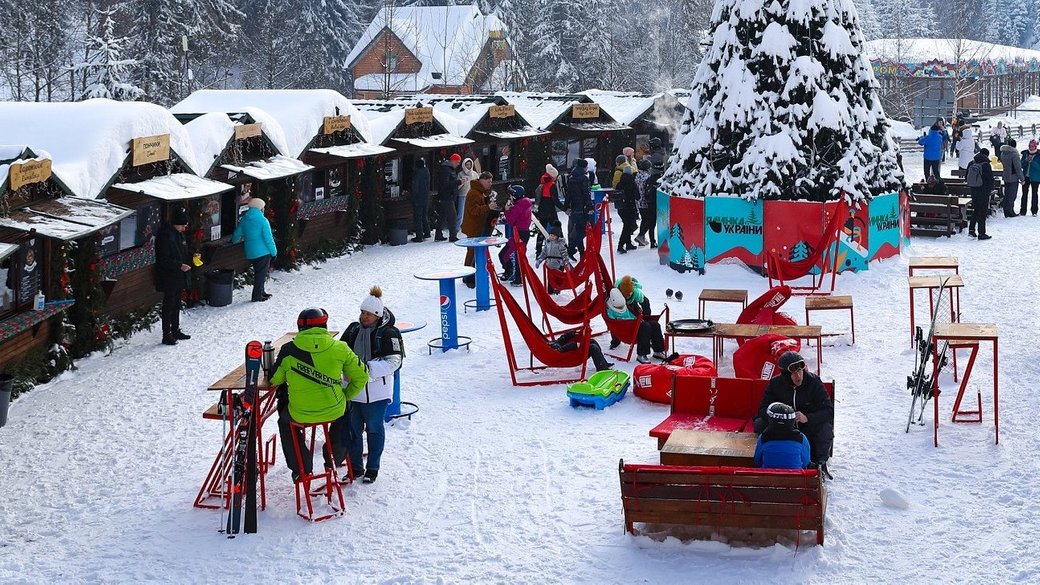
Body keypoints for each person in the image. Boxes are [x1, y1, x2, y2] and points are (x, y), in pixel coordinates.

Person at [271, 308, 368, 483]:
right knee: (347, 411)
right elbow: (362, 375)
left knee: (285, 422)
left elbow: (274, 379)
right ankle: (334, 456)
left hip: (300, 413)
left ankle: (301, 468)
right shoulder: (340, 348)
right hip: (334, 409)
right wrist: (346, 395)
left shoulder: (288, 350)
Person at [340, 287, 403, 484]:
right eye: (362, 312)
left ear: (377, 315)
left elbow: (395, 361)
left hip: (377, 392)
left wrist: (365, 370)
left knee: (374, 430)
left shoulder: (388, 333)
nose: (364, 317)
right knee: (353, 431)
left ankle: (373, 467)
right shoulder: (353, 330)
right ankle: (355, 467)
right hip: (353, 391)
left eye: (368, 314)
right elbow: (340, 354)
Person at [754, 351, 833, 475]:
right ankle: (771, 458)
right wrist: (780, 418)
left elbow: (828, 411)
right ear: (786, 375)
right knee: (760, 424)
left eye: (800, 371)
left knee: (825, 429)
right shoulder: (775, 383)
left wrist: (808, 418)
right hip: (781, 426)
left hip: (807, 424)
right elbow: (763, 409)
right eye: (794, 373)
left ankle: (819, 463)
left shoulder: (814, 382)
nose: (799, 376)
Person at [605, 275, 666, 364]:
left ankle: (658, 351)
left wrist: (645, 317)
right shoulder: (612, 305)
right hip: (626, 329)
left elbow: (643, 304)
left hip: (633, 322)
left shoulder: (635, 294)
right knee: (645, 327)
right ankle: (641, 354)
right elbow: (612, 324)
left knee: (654, 324)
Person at [155, 207, 192, 346]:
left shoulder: (178, 234)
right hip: (168, 276)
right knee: (168, 305)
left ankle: (175, 330)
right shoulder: (165, 236)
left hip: (178, 275)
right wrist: (179, 265)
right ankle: (166, 334)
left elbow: (182, 251)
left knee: (176, 303)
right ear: (176, 224)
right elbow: (163, 259)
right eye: (182, 225)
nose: (184, 228)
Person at [231, 197, 277, 302]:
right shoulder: (263, 221)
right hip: (263, 252)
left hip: (250, 252)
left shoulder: (244, 220)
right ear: (260, 208)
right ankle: (257, 296)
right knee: (261, 275)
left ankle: (261, 292)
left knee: (259, 272)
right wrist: (274, 252)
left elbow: (236, 235)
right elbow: (268, 239)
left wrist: (234, 241)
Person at [461, 171, 498, 287]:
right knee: (472, 252)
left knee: (472, 252)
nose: (490, 184)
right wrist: (488, 207)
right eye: (488, 181)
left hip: (476, 226)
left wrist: (487, 200)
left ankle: (469, 274)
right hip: (474, 227)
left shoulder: (479, 192)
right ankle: (468, 275)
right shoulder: (474, 193)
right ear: (482, 180)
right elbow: (474, 210)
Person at [753, 402, 811, 470]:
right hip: (795, 475)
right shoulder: (801, 438)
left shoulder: (763, 437)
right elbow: (806, 461)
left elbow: (757, 461)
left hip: (768, 475)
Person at [500, 185, 532, 286]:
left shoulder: (518, 206)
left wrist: (506, 210)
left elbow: (510, 220)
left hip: (519, 234)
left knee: (505, 255)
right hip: (523, 233)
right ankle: (516, 276)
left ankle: (515, 276)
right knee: (519, 256)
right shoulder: (524, 203)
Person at [549, 326, 613, 372]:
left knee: (592, 341)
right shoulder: (550, 349)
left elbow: (560, 340)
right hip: (572, 356)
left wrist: (571, 333)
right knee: (593, 347)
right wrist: (573, 345)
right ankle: (602, 368)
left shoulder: (550, 343)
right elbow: (559, 350)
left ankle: (603, 363)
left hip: (574, 350)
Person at [564, 159, 592, 260]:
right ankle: (571, 249)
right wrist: (589, 206)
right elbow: (586, 193)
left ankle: (581, 252)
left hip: (574, 206)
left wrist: (566, 206)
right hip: (582, 207)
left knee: (577, 229)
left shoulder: (571, 177)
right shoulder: (584, 178)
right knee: (581, 230)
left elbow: (568, 193)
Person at [966, 148, 994, 240]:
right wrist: (990, 189)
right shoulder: (986, 165)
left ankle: (971, 230)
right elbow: (990, 179)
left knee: (976, 209)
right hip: (984, 191)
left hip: (973, 190)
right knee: (982, 212)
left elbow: (966, 177)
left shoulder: (971, 163)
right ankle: (981, 233)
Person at [534, 164, 562, 256]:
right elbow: (556, 201)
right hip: (550, 211)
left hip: (542, 211)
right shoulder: (552, 186)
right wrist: (564, 208)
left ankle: (538, 250)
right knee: (557, 228)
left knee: (541, 230)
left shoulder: (541, 184)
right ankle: (562, 247)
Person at [535, 222, 569, 295]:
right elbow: (544, 252)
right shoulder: (548, 242)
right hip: (550, 264)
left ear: (557, 236)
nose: (552, 237)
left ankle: (557, 290)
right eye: (550, 235)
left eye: (554, 236)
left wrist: (566, 262)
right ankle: (550, 292)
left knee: (557, 278)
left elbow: (564, 253)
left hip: (558, 264)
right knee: (550, 278)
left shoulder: (560, 243)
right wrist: (540, 260)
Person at [435, 154, 461, 241]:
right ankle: (453, 236)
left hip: (448, 196)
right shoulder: (446, 170)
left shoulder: (449, 169)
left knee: (443, 215)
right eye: (457, 162)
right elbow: (445, 184)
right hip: (446, 196)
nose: (458, 164)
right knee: (452, 216)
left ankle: (438, 234)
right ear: (453, 161)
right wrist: (458, 182)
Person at [614, 166, 640, 254]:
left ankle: (628, 243)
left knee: (626, 225)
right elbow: (637, 196)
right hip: (630, 207)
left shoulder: (619, 183)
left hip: (621, 208)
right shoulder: (632, 183)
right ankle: (620, 245)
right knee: (628, 227)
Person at [999, 138, 1023, 218]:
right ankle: (1010, 211)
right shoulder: (1014, 154)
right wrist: (1022, 179)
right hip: (1013, 177)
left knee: (1007, 194)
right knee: (1012, 195)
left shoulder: (1003, 153)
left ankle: (1006, 211)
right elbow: (1017, 168)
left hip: (1006, 175)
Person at [410, 158, 431, 243]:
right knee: (424, 216)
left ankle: (419, 236)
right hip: (426, 197)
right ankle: (427, 232)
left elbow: (415, 187)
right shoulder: (427, 172)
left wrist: (413, 196)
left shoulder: (417, 174)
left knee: (418, 217)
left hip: (418, 198)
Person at [455, 156, 478, 233]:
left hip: (472, 196)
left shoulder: (474, 174)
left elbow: (478, 184)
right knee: (461, 213)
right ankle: (457, 228)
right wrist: (462, 182)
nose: (468, 166)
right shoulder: (460, 174)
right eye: (467, 165)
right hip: (463, 195)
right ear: (464, 165)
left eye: (470, 165)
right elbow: (457, 187)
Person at [1020, 139, 1040, 216]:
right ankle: (1023, 211)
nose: (1031, 148)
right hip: (1026, 176)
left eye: (1032, 146)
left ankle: (1034, 211)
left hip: (1035, 177)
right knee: (1024, 193)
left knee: (1034, 194)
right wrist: (1025, 161)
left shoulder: (1038, 155)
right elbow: (1021, 165)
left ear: (1035, 147)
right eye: (1030, 146)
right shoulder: (1025, 154)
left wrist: (1032, 162)